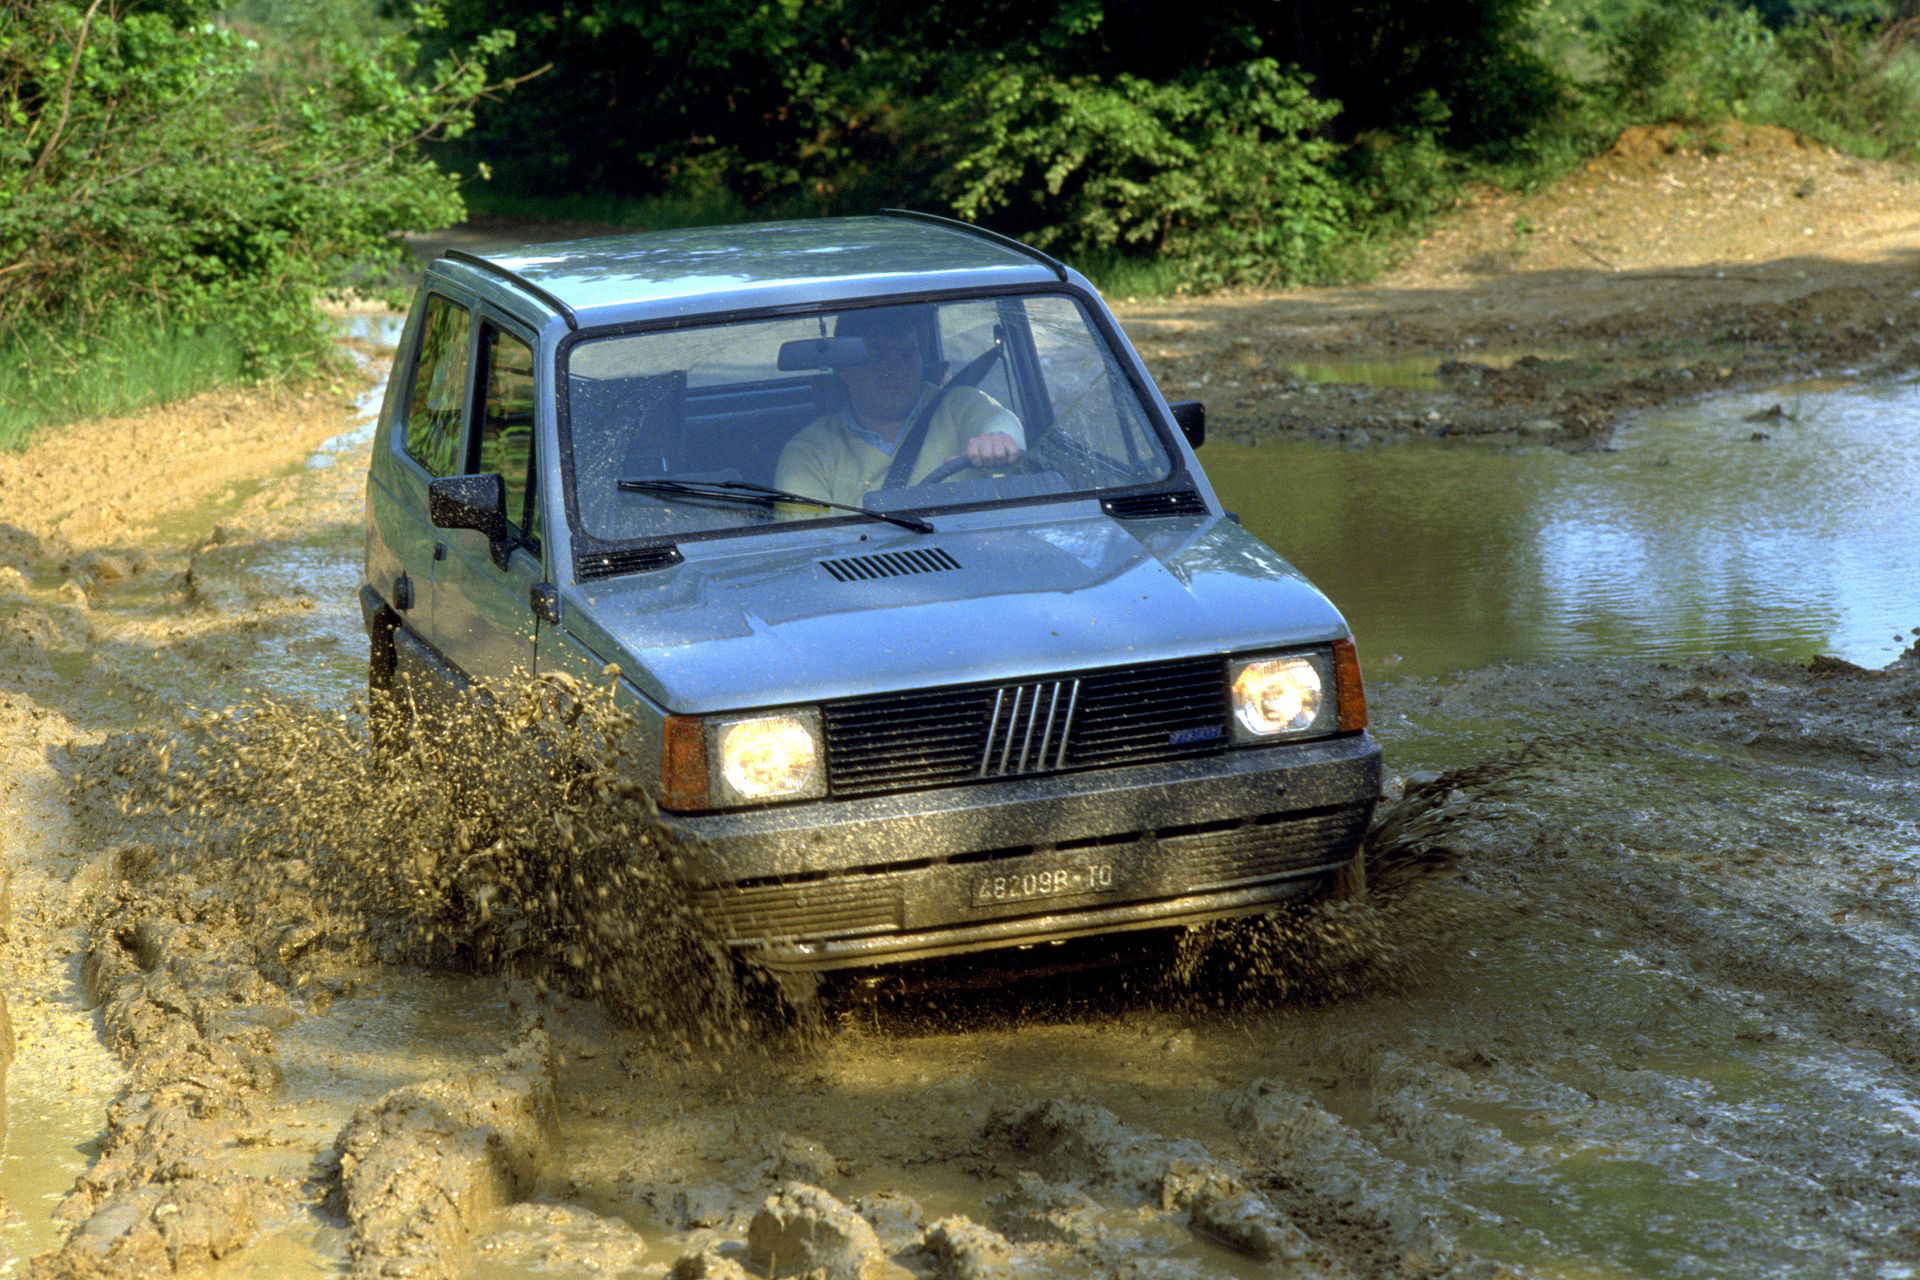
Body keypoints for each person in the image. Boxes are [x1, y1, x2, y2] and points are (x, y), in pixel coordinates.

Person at [774, 305, 1023, 509]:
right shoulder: (808, 451)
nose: (895, 369)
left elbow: (998, 418)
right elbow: (810, 543)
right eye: (878, 356)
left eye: (907, 355)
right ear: (843, 368)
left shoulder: (957, 404)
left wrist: (997, 439)